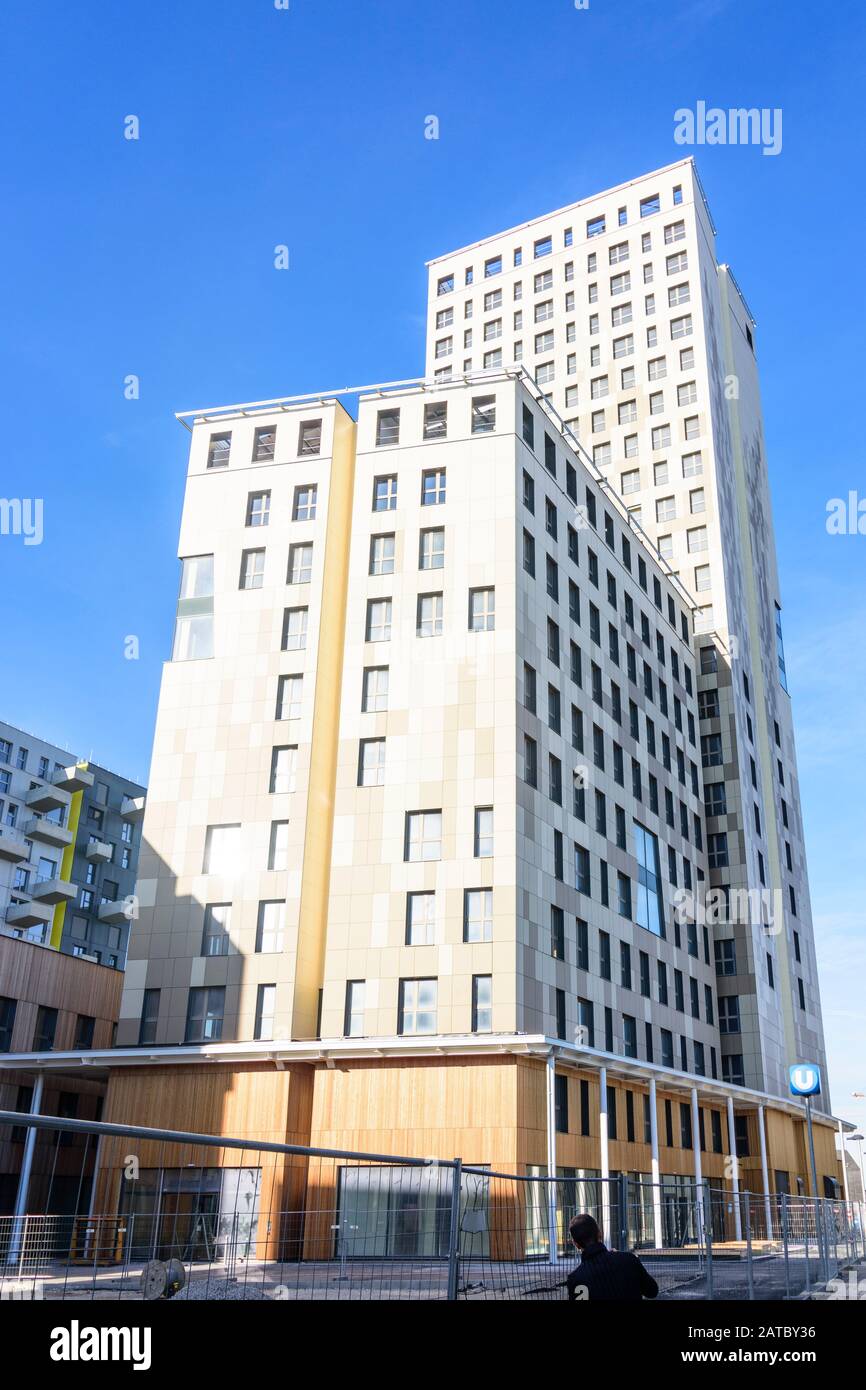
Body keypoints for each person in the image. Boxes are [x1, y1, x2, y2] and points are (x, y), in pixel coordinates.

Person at [566, 1213, 659, 1301]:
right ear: (599, 1234)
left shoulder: (576, 1279)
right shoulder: (629, 1260)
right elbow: (652, 1291)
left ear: (576, 1244)